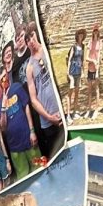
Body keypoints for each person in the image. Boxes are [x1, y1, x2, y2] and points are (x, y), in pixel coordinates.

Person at [24, 22, 66, 156]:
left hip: (63, 111)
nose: (31, 41)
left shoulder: (47, 50)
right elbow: (33, 100)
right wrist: (49, 117)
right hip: (48, 123)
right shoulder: (29, 68)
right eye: (27, 40)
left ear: (36, 34)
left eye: (31, 36)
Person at [0, 64, 41, 179]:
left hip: (28, 139)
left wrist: (32, 131)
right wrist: (3, 107)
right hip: (15, 148)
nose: (4, 80)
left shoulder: (17, 87)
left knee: (40, 168)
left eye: (5, 76)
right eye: (1, 79)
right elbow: (3, 127)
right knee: (24, 178)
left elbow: (27, 108)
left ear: (7, 75)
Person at [66, 28, 86, 118]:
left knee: (77, 92)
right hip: (72, 71)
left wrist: (83, 72)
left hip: (79, 71)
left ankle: (74, 112)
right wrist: (68, 72)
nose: (81, 36)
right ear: (77, 36)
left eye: (82, 34)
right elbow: (70, 59)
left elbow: (82, 60)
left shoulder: (83, 46)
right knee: (70, 92)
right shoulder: (73, 47)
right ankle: (68, 114)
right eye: (79, 34)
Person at [84, 24, 102, 119]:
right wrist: (93, 61)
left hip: (96, 69)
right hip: (90, 69)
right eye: (94, 31)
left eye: (97, 30)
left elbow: (99, 57)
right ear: (92, 32)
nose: (95, 32)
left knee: (97, 89)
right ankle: (89, 109)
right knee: (89, 90)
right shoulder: (90, 42)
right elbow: (86, 57)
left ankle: (96, 110)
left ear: (98, 32)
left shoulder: (100, 42)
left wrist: (98, 67)